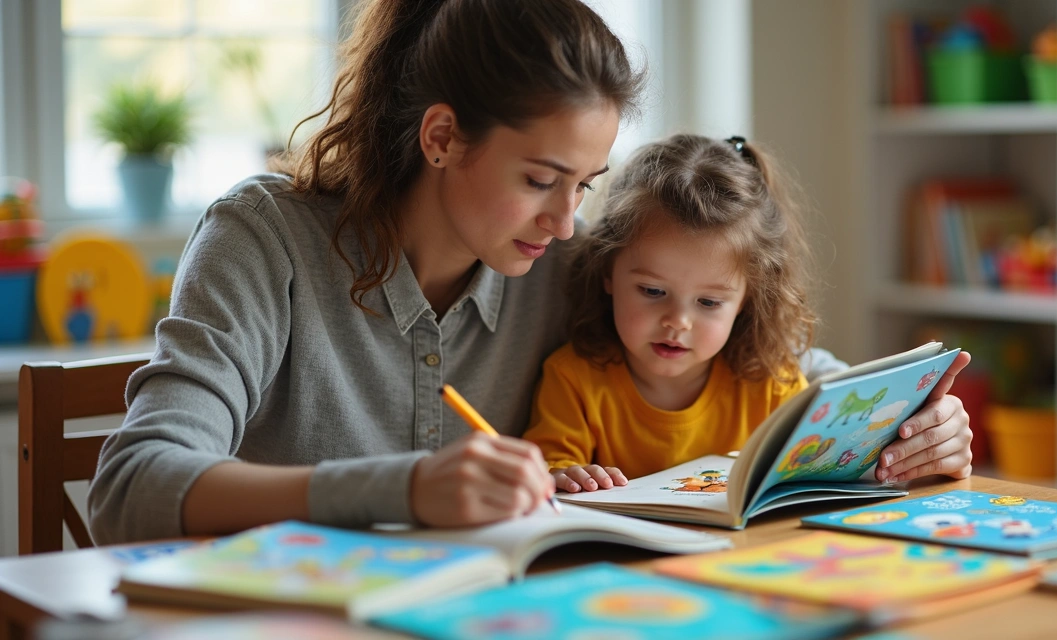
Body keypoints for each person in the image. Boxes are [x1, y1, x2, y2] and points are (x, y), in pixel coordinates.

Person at [86, 0, 644, 543]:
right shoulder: (264, 238)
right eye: (540, 181)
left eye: (585, 185)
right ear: (442, 138)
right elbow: (130, 488)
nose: (565, 223)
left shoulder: (572, 271)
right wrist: (399, 488)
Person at [523, 134, 974, 493]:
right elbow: (549, 471)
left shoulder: (772, 382)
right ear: (608, 272)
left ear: (746, 301)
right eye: (653, 290)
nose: (678, 321)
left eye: (709, 302)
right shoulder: (573, 379)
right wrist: (564, 479)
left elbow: (829, 473)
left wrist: (910, 450)